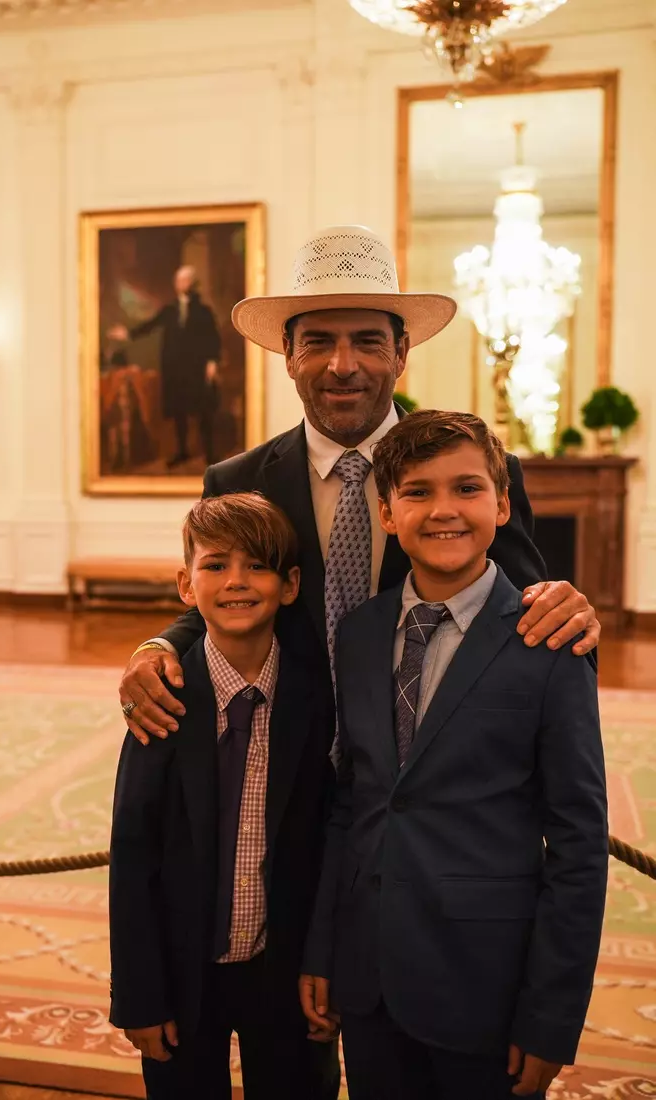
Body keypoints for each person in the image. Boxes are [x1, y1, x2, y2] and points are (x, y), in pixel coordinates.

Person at [118, 225, 599, 746]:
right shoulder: (238, 481)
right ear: (288, 354)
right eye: (318, 342)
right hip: (289, 753)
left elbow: (524, 610)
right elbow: (222, 598)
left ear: (401, 352)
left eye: (367, 342)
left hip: (424, 753)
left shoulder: (476, 481)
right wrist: (156, 647)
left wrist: (563, 610)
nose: (342, 366)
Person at [300, 410, 609, 1100]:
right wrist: (324, 947)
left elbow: (579, 844)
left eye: (467, 488)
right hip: (370, 977)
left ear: (502, 504)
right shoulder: (360, 634)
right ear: (387, 513)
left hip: (485, 985)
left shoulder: (550, 641)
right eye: (417, 492)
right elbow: (352, 803)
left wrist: (550, 1017)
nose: (443, 510)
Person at [109, 492, 338, 1100]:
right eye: (216, 565)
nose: (237, 581)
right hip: (182, 975)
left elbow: (332, 842)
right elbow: (132, 854)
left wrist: (327, 960)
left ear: (290, 585)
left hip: (286, 971)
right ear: (187, 585)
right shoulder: (160, 700)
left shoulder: (319, 699)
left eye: (257, 565)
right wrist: (139, 993)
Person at [109, 264, 220, 468]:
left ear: (192, 283)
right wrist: (128, 333)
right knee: (179, 411)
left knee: (203, 410)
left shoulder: (203, 311)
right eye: (178, 280)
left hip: (196, 367)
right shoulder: (170, 309)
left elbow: (212, 337)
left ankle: (210, 453)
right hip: (175, 368)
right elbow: (151, 325)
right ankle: (182, 452)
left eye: (184, 280)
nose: (180, 284)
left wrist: (212, 362)